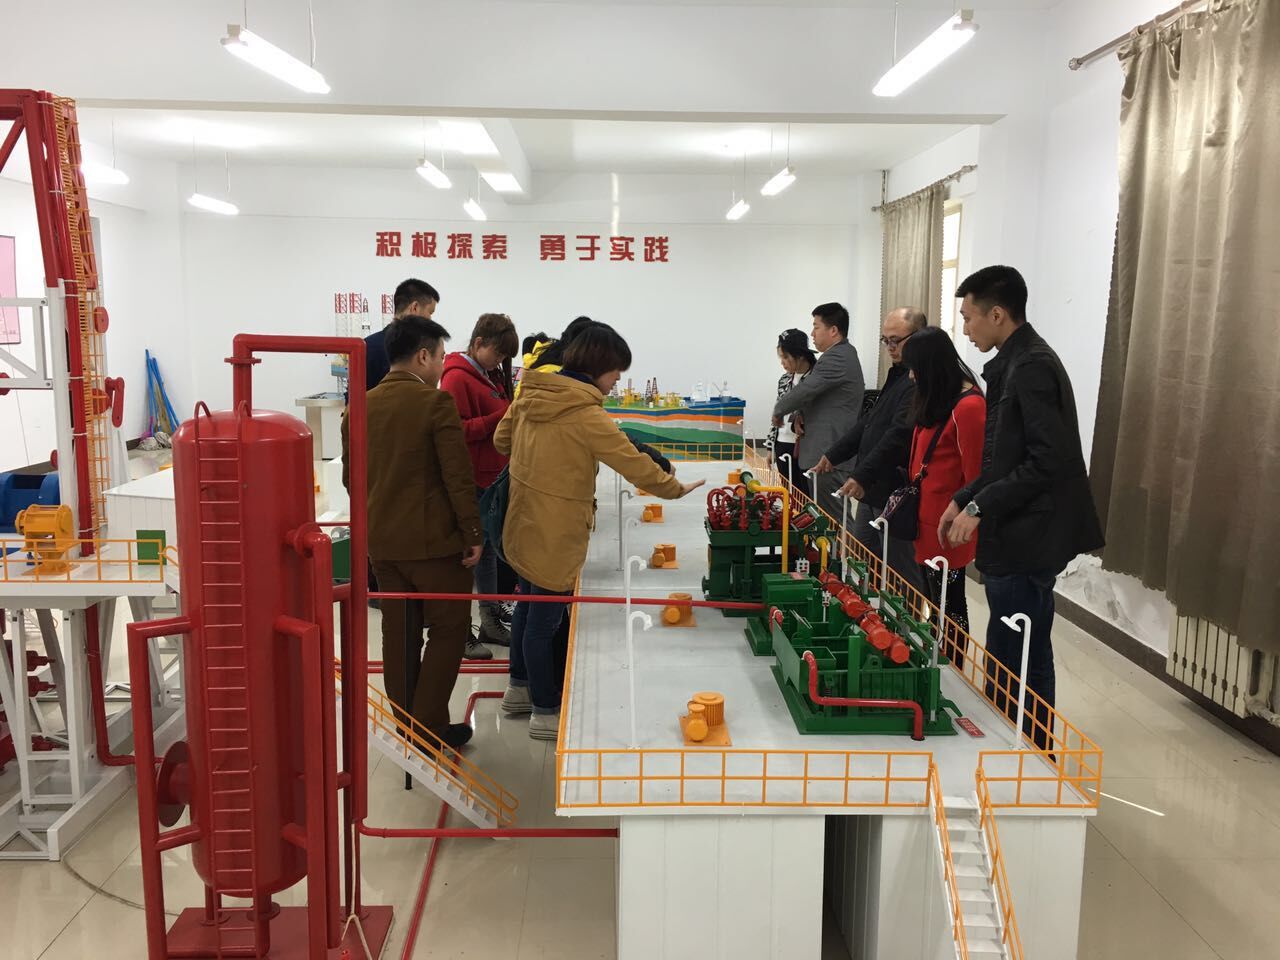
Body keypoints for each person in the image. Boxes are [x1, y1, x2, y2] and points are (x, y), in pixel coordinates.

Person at [494, 324, 705, 741]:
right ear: (598, 368)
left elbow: (503, 441)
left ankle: (518, 690)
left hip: (521, 519)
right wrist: (674, 489)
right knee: (542, 623)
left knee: (528, 607)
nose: (616, 383)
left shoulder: (531, 392)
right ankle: (544, 711)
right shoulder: (586, 414)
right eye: (615, 374)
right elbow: (633, 463)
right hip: (556, 530)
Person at [940, 266, 1103, 749]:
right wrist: (962, 497)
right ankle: (1010, 741)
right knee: (1008, 648)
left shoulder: (1031, 367)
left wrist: (979, 507)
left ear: (997, 314)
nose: (966, 329)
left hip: (1029, 534)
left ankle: (1030, 751)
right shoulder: (1013, 363)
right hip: (1015, 530)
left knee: (1022, 652)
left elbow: (1047, 461)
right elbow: (1003, 459)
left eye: (968, 318)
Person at [341, 315, 482, 752]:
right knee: (448, 630)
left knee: (399, 634)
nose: (441, 367)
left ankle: (407, 726)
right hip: (436, 547)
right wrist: (472, 531)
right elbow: (457, 477)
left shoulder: (357, 408)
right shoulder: (435, 404)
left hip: (383, 545)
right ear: (423, 356)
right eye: (440, 358)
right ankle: (429, 728)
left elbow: (350, 480)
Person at [814, 308, 929, 594]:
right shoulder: (897, 375)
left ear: (918, 338)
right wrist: (834, 455)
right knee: (863, 559)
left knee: (902, 573)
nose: (890, 347)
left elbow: (897, 436)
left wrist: (861, 476)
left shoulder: (916, 382)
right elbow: (869, 422)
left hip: (893, 491)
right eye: (885, 340)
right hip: (871, 489)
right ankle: (867, 613)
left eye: (896, 340)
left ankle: (907, 620)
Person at [899, 326, 986, 663]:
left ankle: (951, 667)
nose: (911, 376)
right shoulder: (937, 400)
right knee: (933, 600)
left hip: (947, 525)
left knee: (950, 603)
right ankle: (935, 658)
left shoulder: (969, 407)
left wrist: (967, 514)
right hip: (923, 519)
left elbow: (976, 474)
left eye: (915, 369)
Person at [440, 313, 520, 654]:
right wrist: (499, 418)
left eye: (504, 356)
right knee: (468, 555)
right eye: (497, 353)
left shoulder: (489, 374)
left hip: (490, 477)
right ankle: (460, 630)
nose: (499, 360)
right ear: (478, 343)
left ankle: (489, 619)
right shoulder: (457, 378)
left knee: (485, 552)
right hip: (471, 479)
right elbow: (456, 431)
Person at [772, 302, 865, 520]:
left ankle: (841, 545)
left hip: (829, 454)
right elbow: (820, 399)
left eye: (816, 327)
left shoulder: (837, 357)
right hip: (824, 454)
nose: (812, 334)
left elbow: (806, 390)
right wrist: (799, 415)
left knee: (834, 520)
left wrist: (779, 410)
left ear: (833, 330)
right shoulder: (839, 355)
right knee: (824, 517)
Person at [365, 278, 440, 393]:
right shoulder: (419, 352)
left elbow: (353, 397)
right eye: (430, 312)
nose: (430, 319)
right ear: (415, 307)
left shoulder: (368, 346)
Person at [766, 329, 815, 500]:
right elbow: (777, 412)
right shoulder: (784, 380)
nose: (782, 362)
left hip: (804, 446)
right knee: (789, 495)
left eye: (786, 357)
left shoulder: (816, 379)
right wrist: (770, 446)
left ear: (800, 356)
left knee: (806, 496)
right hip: (782, 443)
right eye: (781, 357)